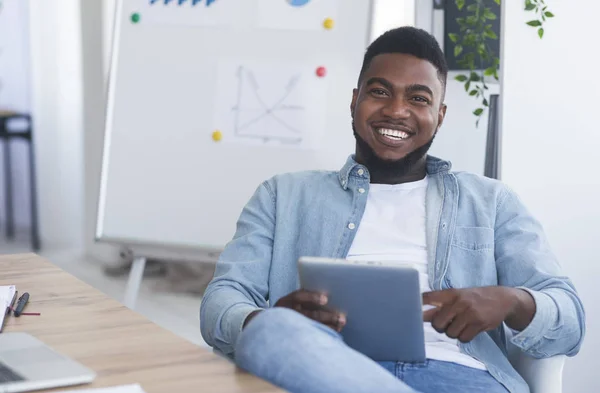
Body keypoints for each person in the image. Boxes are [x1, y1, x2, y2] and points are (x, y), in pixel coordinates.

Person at [199, 27, 585, 393]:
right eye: (380, 91)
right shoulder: (282, 194)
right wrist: (270, 319)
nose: (396, 111)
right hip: (326, 370)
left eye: (418, 98)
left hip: (461, 377)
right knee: (270, 332)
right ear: (354, 101)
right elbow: (222, 300)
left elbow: (570, 319)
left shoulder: (491, 201)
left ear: (441, 116)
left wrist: (511, 301)